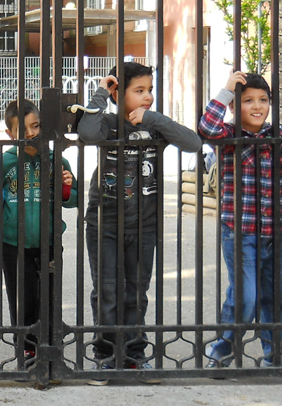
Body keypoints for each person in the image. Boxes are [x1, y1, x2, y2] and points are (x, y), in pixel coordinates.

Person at [200, 71, 282, 371]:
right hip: (239, 231)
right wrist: (225, 91)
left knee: (278, 296)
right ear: (235, 107)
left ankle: (277, 352)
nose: (257, 106)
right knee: (245, 297)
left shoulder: (281, 134)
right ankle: (222, 349)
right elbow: (206, 128)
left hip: (276, 233)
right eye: (248, 101)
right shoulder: (229, 137)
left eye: (263, 100)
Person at [78, 62, 201, 385]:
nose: (147, 97)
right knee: (107, 291)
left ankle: (134, 354)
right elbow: (86, 133)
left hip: (144, 225)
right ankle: (105, 355)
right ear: (120, 92)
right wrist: (102, 93)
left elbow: (193, 143)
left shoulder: (155, 126)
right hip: (104, 223)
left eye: (150, 91)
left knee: (136, 292)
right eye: (139, 91)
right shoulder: (105, 122)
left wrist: (153, 118)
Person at [0, 99, 77, 366]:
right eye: (23, 129)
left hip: (49, 241)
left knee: (49, 296)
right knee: (21, 298)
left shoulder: (58, 159)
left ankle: (51, 349)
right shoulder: (5, 161)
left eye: (36, 126)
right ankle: (27, 350)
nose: (31, 133)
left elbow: (74, 197)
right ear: (10, 134)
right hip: (13, 243)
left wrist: (67, 186)